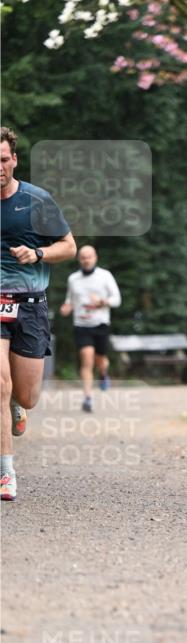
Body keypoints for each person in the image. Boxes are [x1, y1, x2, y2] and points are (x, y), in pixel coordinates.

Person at [1, 126, 77, 501]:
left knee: (26, 395)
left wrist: (38, 254)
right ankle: (6, 473)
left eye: (3, 160)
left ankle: (19, 404)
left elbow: (69, 246)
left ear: (14, 160)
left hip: (31, 304)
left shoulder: (36, 200)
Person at [59, 245, 121, 412]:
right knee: (87, 359)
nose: (86, 260)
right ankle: (87, 398)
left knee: (101, 361)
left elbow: (117, 299)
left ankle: (103, 374)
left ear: (95, 257)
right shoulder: (73, 279)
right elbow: (69, 300)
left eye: (89, 257)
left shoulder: (105, 276)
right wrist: (67, 307)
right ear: (79, 259)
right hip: (81, 325)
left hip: (100, 324)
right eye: (83, 257)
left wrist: (103, 302)